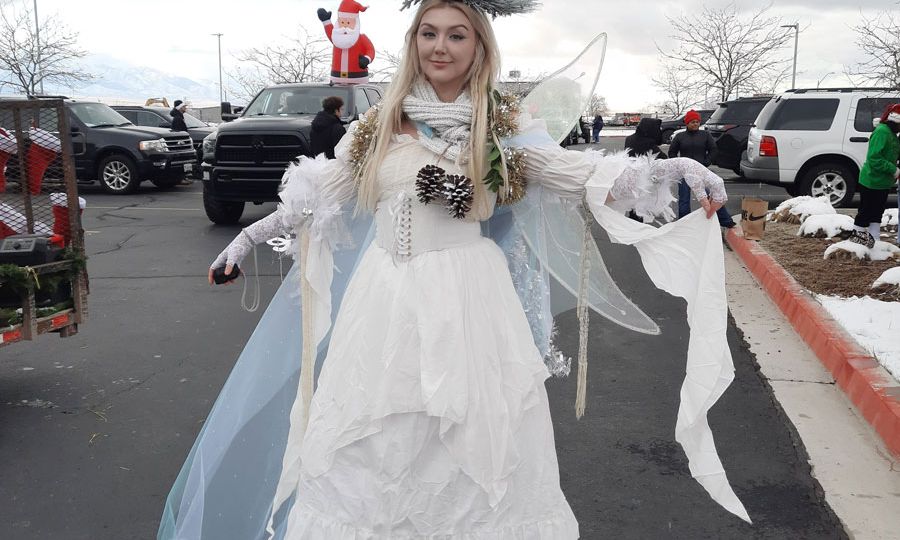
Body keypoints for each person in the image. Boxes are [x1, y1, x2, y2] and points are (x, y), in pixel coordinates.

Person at [159, 2, 749, 538]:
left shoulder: (503, 126)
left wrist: (671, 171)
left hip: (468, 299)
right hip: (384, 301)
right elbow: (320, 197)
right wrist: (247, 237)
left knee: (472, 441)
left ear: (479, 49)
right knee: (374, 442)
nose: (440, 47)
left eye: (456, 35)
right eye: (429, 34)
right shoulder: (379, 126)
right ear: (415, 43)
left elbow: (576, 173)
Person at [669, 109, 736, 228]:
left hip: (701, 171)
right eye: (692, 122)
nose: (695, 124)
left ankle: (726, 221)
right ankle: (684, 224)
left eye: (697, 122)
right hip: (685, 173)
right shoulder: (680, 136)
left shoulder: (705, 135)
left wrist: (706, 162)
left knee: (714, 195)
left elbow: (713, 149)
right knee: (684, 198)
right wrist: (679, 166)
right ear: (687, 123)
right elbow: (672, 152)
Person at [849, 103, 900, 248]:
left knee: (877, 211)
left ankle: (874, 238)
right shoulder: (882, 132)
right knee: (866, 211)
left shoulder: (892, 134)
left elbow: (894, 151)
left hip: (883, 182)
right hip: (872, 180)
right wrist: (893, 170)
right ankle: (857, 239)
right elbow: (874, 158)